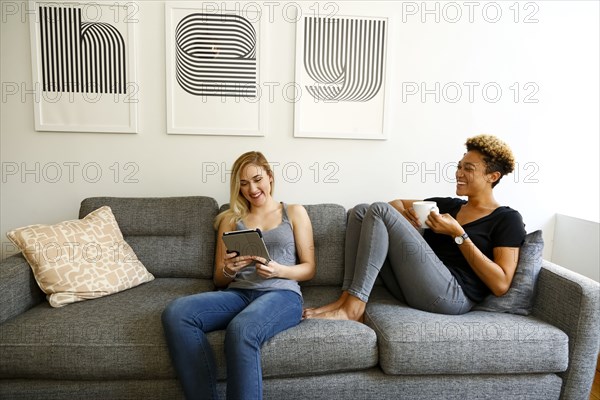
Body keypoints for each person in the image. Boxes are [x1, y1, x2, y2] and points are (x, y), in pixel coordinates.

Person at [304, 134, 526, 321]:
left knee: (379, 210)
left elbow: (500, 284)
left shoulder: (507, 219)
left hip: (451, 296)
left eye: (468, 168)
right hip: (412, 287)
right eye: (459, 166)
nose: (459, 173)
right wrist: (404, 220)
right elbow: (395, 205)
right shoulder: (447, 205)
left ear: (492, 176)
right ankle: (347, 298)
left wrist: (458, 234)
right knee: (362, 211)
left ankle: (354, 308)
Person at [162, 151, 315, 400]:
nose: (252, 189)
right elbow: (218, 280)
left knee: (241, 329)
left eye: (257, 179)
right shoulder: (231, 220)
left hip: (281, 294)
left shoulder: (294, 212)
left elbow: (310, 268)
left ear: (270, 177)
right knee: (177, 313)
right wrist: (229, 270)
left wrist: (280, 270)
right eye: (243, 184)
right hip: (239, 293)